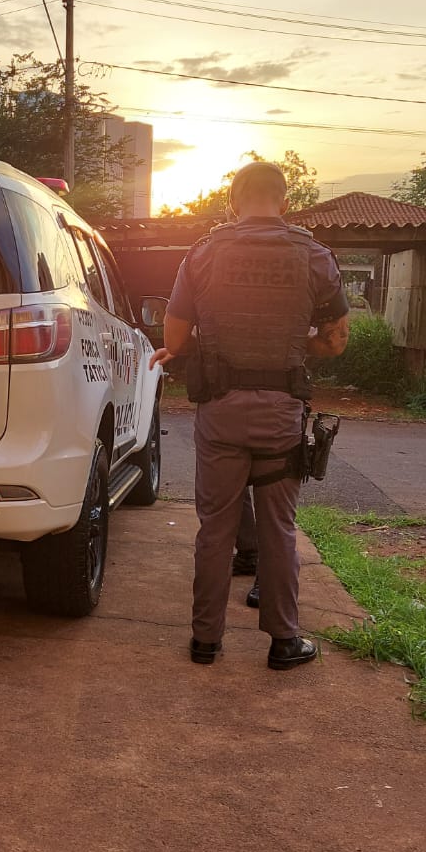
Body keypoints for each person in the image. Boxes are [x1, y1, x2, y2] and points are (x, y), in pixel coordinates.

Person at [150, 160, 349, 669]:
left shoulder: (203, 254)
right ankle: (284, 641)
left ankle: (205, 642)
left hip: (220, 412)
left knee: (215, 528)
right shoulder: (315, 256)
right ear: (283, 200)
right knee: (279, 527)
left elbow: (174, 340)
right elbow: (335, 340)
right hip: (281, 413)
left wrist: (215, 342)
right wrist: (293, 342)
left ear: (234, 202)